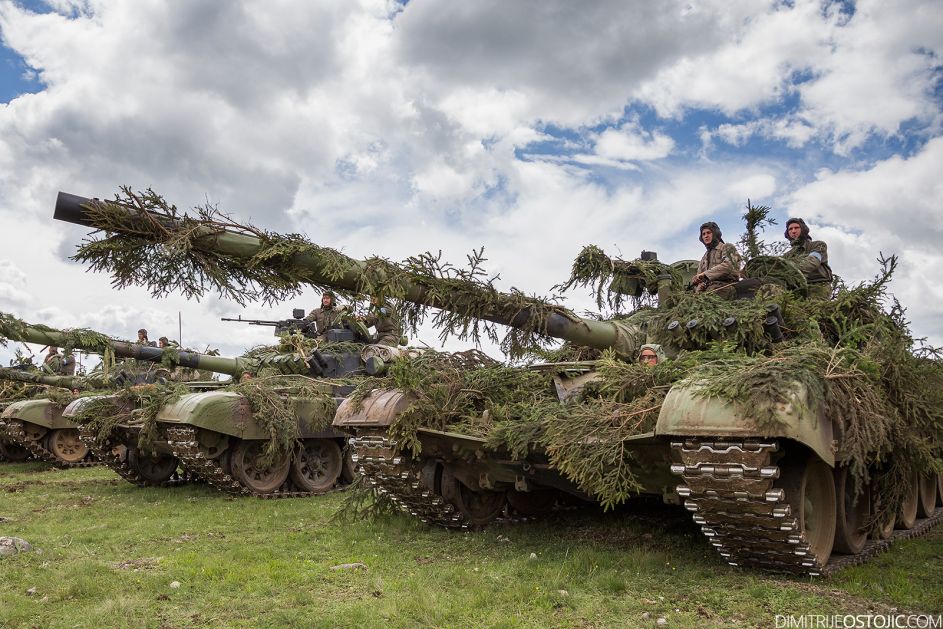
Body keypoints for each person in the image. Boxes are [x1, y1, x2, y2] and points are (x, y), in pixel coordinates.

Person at [782, 218, 833, 299]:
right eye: (790, 229)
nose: (793, 231)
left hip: (818, 286)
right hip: (796, 289)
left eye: (796, 228)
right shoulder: (787, 255)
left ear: (803, 230)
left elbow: (813, 261)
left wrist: (791, 272)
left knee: (815, 310)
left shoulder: (818, 245)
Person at [691, 222, 742, 299]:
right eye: (703, 234)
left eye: (708, 233)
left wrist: (705, 274)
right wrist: (697, 281)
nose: (706, 236)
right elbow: (700, 276)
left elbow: (728, 266)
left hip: (726, 286)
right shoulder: (704, 257)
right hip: (708, 289)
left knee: (710, 295)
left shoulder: (727, 247)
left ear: (715, 234)